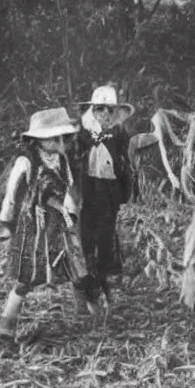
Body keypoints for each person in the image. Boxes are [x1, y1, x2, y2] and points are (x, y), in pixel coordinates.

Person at [0, 107, 99, 342]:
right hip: (35, 223)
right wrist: (6, 222)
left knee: (75, 263)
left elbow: (70, 189)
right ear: (38, 140)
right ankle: (7, 322)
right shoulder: (27, 162)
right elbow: (12, 194)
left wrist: (71, 214)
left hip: (60, 221)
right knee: (27, 275)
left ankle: (86, 310)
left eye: (63, 137)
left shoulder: (62, 161)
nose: (60, 142)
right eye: (54, 138)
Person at [75, 84, 138, 305]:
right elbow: (73, 161)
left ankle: (102, 280)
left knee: (106, 236)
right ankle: (86, 286)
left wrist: (126, 191)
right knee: (86, 236)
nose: (105, 114)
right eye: (100, 109)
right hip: (88, 188)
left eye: (110, 110)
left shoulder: (119, 134)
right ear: (92, 110)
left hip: (109, 190)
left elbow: (126, 163)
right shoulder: (81, 133)